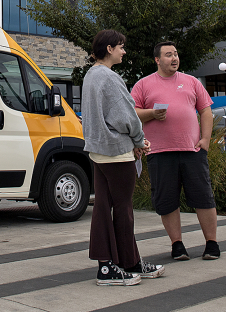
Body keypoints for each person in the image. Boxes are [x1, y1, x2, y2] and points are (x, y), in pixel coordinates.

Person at [82, 29, 165, 286]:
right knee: (123, 209)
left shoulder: (91, 76)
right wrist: (139, 141)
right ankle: (113, 265)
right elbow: (126, 115)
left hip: (99, 150)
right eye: (120, 47)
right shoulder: (109, 77)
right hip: (116, 151)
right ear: (109, 49)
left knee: (105, 209)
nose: (124, 51)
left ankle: (121, 263)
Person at [132, 42, 219, 262]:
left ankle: (211, 243)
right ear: (157, 60)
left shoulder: (191, 81)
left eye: (176, 54)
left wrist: (206, 140)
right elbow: (131, 114)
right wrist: (152, 113)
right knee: (167, 200)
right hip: (160, 152)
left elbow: (206, 111)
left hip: (192, 150)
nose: (174, 58)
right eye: (168, 55)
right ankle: (177, 245)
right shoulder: (143, 85)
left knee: (203, 197)